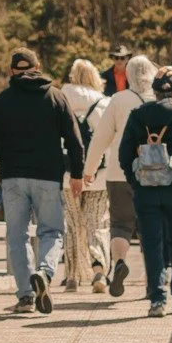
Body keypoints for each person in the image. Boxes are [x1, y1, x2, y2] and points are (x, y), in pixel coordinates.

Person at [0, 47, 84, 315]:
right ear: (38, 66)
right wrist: (78, 175)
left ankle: (25, 297)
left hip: (12, 177)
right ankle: (45, 274)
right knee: (52, 231)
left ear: (12, 71)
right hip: (48, 177)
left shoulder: (0, 102)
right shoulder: (56, 97)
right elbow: (74, 140)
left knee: (17, 236)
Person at [119, 65, 172, 317]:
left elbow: (124, 155)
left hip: (146, 189)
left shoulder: (137, 115)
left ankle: (157, 299)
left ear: (153, 92)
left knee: (152, 242)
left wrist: (136, 182)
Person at [82, 54, 157, 297]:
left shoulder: (118, 99)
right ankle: (152, 282)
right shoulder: (161, 100)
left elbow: (101, 138)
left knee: (120, 225)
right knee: (150, 227)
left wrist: (89, 169)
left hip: (118, 171)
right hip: (153, 173)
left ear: (128, 75)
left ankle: (120, 263)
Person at [59, 59, 110, 292]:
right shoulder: (104, 104)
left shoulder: (60, 100)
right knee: (96, 223)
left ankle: (71, 275)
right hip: (98, 175)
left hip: (67, 175)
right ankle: (99, 270)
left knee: (73, 223)